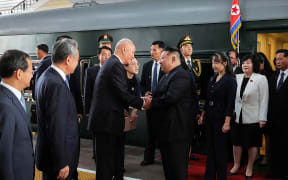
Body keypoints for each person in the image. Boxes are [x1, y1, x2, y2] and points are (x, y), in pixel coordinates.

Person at [87, 38, 151, 180]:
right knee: (105, 168)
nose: (133, 56)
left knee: (110, 165)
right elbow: (122, 94)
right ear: (124, 50)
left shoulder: (113, 64)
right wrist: (142, 103)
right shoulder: (115, 65)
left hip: (108, 124)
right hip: (106, 125)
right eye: (132, 52)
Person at [35, 39, 80, 180]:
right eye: (77, 59)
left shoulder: (46, 76)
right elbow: (56, 127)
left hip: (50, 157)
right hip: (58, 163)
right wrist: (61, 162)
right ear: (68, 60)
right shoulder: (57, 85)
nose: (77, 63)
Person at [151, 47, 193, 180]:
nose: (160, 61)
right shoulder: (166, 75)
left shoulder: (181, 75)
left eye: (163, 58)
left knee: (178, 170)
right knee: (169, 169)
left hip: (177, 132)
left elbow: (171, 97)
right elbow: (160, 94)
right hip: (166, 131)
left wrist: (151, 102)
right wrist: (151, 97)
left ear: (173, 58)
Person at [229, 54, 269, 179]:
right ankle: (236, 165)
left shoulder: (261, 78)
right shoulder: (237, 77)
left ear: (254, 65)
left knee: (252, 144)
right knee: (236, 143)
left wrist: (263, 118)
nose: (245, 65)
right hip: (237, 117)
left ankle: (250, 167)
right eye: (243, 62)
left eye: (248, 63)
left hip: (253, 118)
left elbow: (264, 100)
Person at [198, 52, 237, 180]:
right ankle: (209, 176)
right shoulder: (212, 78)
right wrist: (203, 115)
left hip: (221, 120)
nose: (213, 65)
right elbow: (207, 98)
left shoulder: (230, 80)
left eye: (216, 62)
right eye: (213, 62)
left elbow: (230, 104)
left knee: (220, 151)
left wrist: (227, 122)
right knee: (210, 150)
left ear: (225, 63)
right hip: (209, 118)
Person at [0, 50, 34, 180]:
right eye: (30, 71)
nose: (32, 75)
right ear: (19, 73)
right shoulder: (5, 106)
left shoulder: (10, 97)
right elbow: (3, 155)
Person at [84, 46, 112, 163]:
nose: (106, 57)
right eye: (104, 54)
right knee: (96, 135)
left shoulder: (114, 70)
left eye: (109, 55)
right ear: (99, 56)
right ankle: (97, 156)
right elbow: (87, 92)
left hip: (110, 111)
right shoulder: (91, 71)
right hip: (96, 111)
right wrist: (87, 111)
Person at [140, 40, 165, 166]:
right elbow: (142, 84)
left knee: (163, 134)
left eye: (154, 50)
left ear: (161, 51)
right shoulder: (147, 66)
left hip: (162, 106)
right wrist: (145, 94)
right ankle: (148, 158)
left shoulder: (166, 66)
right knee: (150, 133)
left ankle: (166, 159)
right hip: (149, 105)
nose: (152, 52)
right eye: (151, 50)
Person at [178, 35, 201, 160]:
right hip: (182, 102)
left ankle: (189, 152)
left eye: (190, 46)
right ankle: (183, 155)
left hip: (194, 102)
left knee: (192, 131)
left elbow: (200, 82)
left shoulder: (196, 63)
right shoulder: (178, 64)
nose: (189, 48)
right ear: (181, 49)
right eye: (186, 46)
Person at [270, 49, 288, 179]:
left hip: (287, 120)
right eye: (276, 59)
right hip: (274, 120)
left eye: (281, 59)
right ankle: (276, 172)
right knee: (274, 147)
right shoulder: (274, 75)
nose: (278, 62)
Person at [256, 52, 274, 166]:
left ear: (263, 62)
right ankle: (256, 154)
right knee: (256, 134)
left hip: (268, 109)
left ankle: (267, 156)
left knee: (267, 135)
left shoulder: (271, 75)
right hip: (254, 109)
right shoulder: (253, 74)